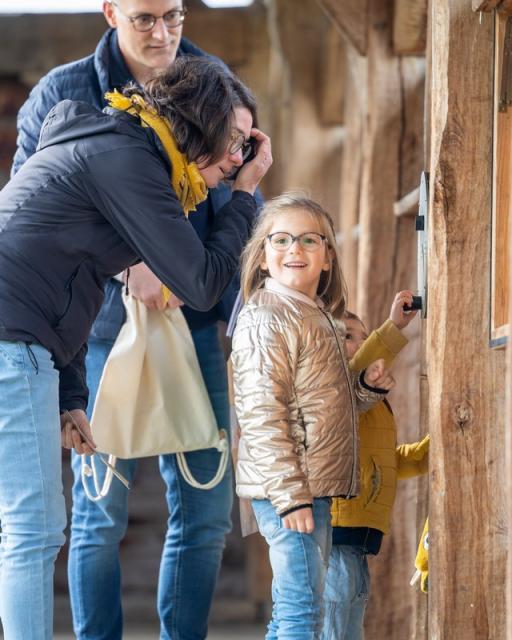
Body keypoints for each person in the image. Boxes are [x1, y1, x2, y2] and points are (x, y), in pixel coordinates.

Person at [11, 2, 261, 637]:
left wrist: (68, 394)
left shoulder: (125, 137)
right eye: (229, 147)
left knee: (36, 526)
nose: (232, 161)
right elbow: (201, 279)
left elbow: (65, 272)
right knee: (38, 527)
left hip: (46, 341)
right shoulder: (126, 153)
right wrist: (245, 194)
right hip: (36, 342)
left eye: (173, 15)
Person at [230, 193, 395, 639]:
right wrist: (291, 495)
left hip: (310, 484)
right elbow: (263, 414)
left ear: (328, 257)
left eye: (308, 240)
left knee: (296, 608)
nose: (294, 250)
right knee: (303, 610)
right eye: (280, 240)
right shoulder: (268, 318)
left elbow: (323, 406)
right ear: (263, 257)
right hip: (289, 488)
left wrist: (365, 390)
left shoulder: (315, 315)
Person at [321, 293, 430, 640]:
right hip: (337, 535)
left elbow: (383, 462)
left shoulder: (373, 404)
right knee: (336, 626)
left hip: (357, 536)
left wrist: (431, 451)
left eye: (365, 336)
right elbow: (354, 369)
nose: (361, 342)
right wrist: (395, 326)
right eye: (349, 335)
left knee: (347, 623)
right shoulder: (333, 389)